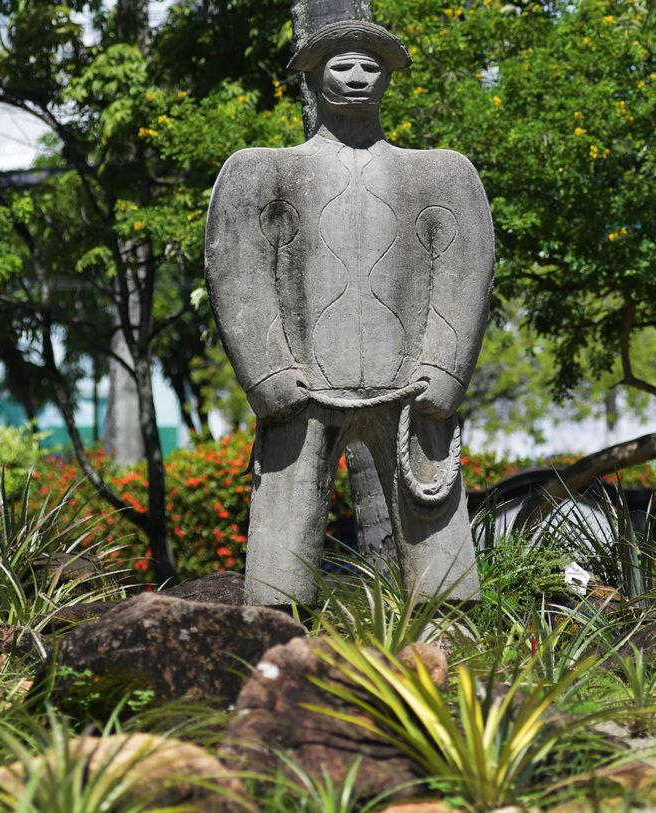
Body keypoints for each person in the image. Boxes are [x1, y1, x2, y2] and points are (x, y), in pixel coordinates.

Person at [205, 21, 493, 606]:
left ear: (388, 78)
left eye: (371, 67)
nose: (358, 78)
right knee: (279, 576)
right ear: (313, 76)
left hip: (409, 386)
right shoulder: (261, 174)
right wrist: (270, 374)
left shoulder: (441, 175)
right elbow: (237, 272)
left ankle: (450, 651)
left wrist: (443, 367)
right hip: (305, 387)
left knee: (443, 576)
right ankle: (278, 648)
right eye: (342, 66)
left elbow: (467, 267)